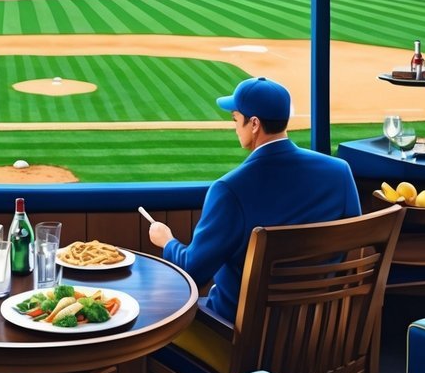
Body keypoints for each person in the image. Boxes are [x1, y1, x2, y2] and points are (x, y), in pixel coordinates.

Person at [148, 77, 360, 322]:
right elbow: (352, 243)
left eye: (236, 118)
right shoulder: (339, 172)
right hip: (320, 330)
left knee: (159, 316)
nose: (235, 126)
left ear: (255, 124)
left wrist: (167, 241)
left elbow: (192, 271)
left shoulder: (229, 189)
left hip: (243, 337)